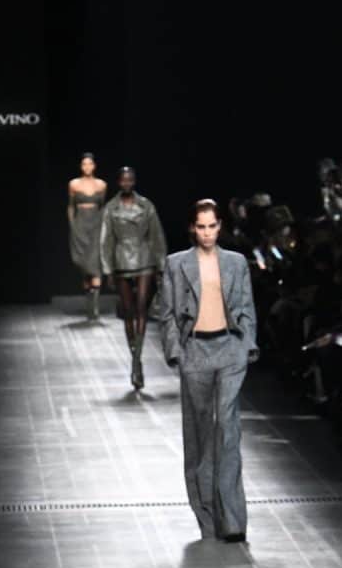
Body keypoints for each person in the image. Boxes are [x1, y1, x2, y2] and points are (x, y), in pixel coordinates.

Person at [159, 199, 256, 543]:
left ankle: (232, 520)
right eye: (201, 226)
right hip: (195, 351)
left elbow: (246, 307)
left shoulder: (236, 262)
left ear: (220, 226)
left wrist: (246, 346)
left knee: (227, 429)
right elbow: (167, 313)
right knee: (201, 434)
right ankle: (206, 513)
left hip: (229, 349)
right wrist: (177, 354)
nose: (207, 233)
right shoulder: (176, 264)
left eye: (212, 226)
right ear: (192, 228)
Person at [96, 167, 168, 391]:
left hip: (144, 258)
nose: (127, 183)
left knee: (141, 309)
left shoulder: (146, 205)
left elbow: (156, 235)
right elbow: (106, 240)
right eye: (123, 180)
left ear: (134, 181)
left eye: (130, 179)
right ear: (119, 182)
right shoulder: (111, 208)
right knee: (128, 312)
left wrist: (161, 266)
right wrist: (107, 269)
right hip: (121, 262)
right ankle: (135, 357)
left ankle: (137, 360)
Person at [66, 153, 108, 323]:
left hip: (96, 225)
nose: (87, 167)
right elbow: (70, 206)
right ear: (81, 166)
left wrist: (103, 226)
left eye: (90, 164)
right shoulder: (74, 184)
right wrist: (73, 225)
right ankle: (89, 304)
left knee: (95, 264)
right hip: (80, 226)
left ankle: (94, 309)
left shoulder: (101, 184)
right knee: (83, 265)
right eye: (84, 164)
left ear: (94, 166)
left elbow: (103, 207)